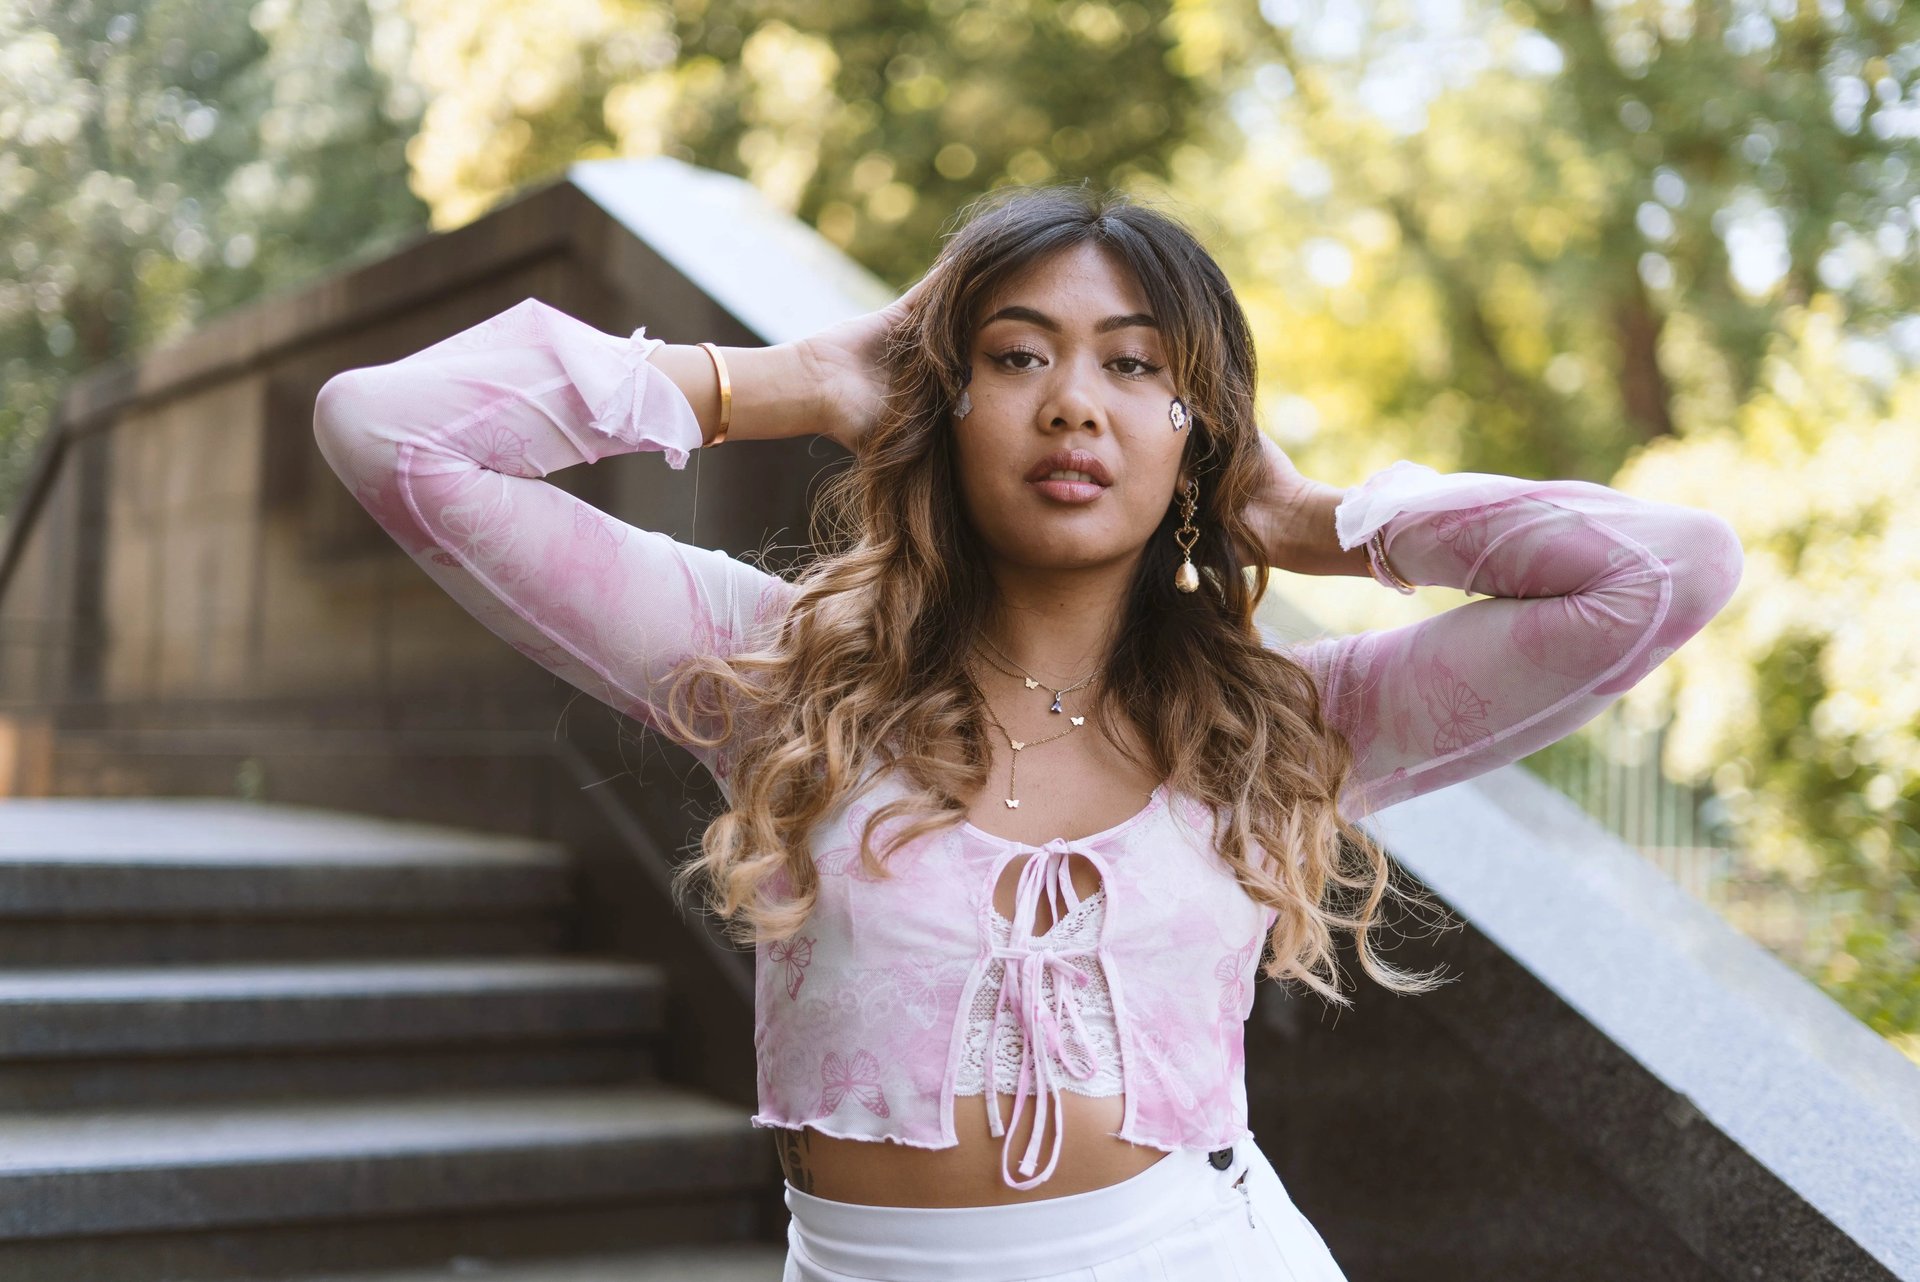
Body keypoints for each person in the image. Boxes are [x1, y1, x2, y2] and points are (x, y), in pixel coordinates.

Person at [313, 183, 1744, 1281]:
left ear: (1200, 430)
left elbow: (1665, 570)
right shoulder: (777, 669)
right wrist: (790, 379)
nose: (1073, 401)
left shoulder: (1285, 723)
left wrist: (1315, 521)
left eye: (1135, 367)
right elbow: (389, 432)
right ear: (943, 401)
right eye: (1018, 354)